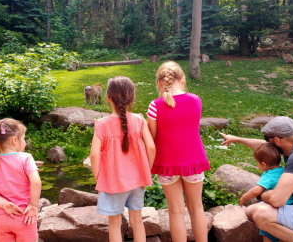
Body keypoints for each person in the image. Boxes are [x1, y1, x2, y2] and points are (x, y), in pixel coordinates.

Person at [147, 61, 210, 242]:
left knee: (175, 211)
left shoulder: (154, 106)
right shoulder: (195, 100)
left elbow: (152, 136)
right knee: (197, 208)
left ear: (159, 82)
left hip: (167, 165)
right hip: (193, 163)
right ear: (182, 80)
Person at [90, 76, 155, 242]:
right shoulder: (139, 120)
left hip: (113, 183)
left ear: (108, 98)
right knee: (137, 222)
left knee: (114, 224)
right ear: (131, 98)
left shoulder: (102, 124)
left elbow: (94, 154)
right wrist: (147, 172)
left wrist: (99, 178)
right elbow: (151, 147)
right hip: (137, 181)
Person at [0, 118, 42, 242]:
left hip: (1, 219)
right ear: (15, 140)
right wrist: (33, 206)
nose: (24, 141)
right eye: (23, 138)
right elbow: (36, 182)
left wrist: (3, 204)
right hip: (24, 216)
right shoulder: (26, 158)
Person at [240, 143, 293, 242]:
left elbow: (257, 190)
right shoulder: (283, 170)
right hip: (291, 205)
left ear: (263, 164)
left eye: (257, 163)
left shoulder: (268, 176)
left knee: (267, 231)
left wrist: (244, 197)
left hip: (278, 208)